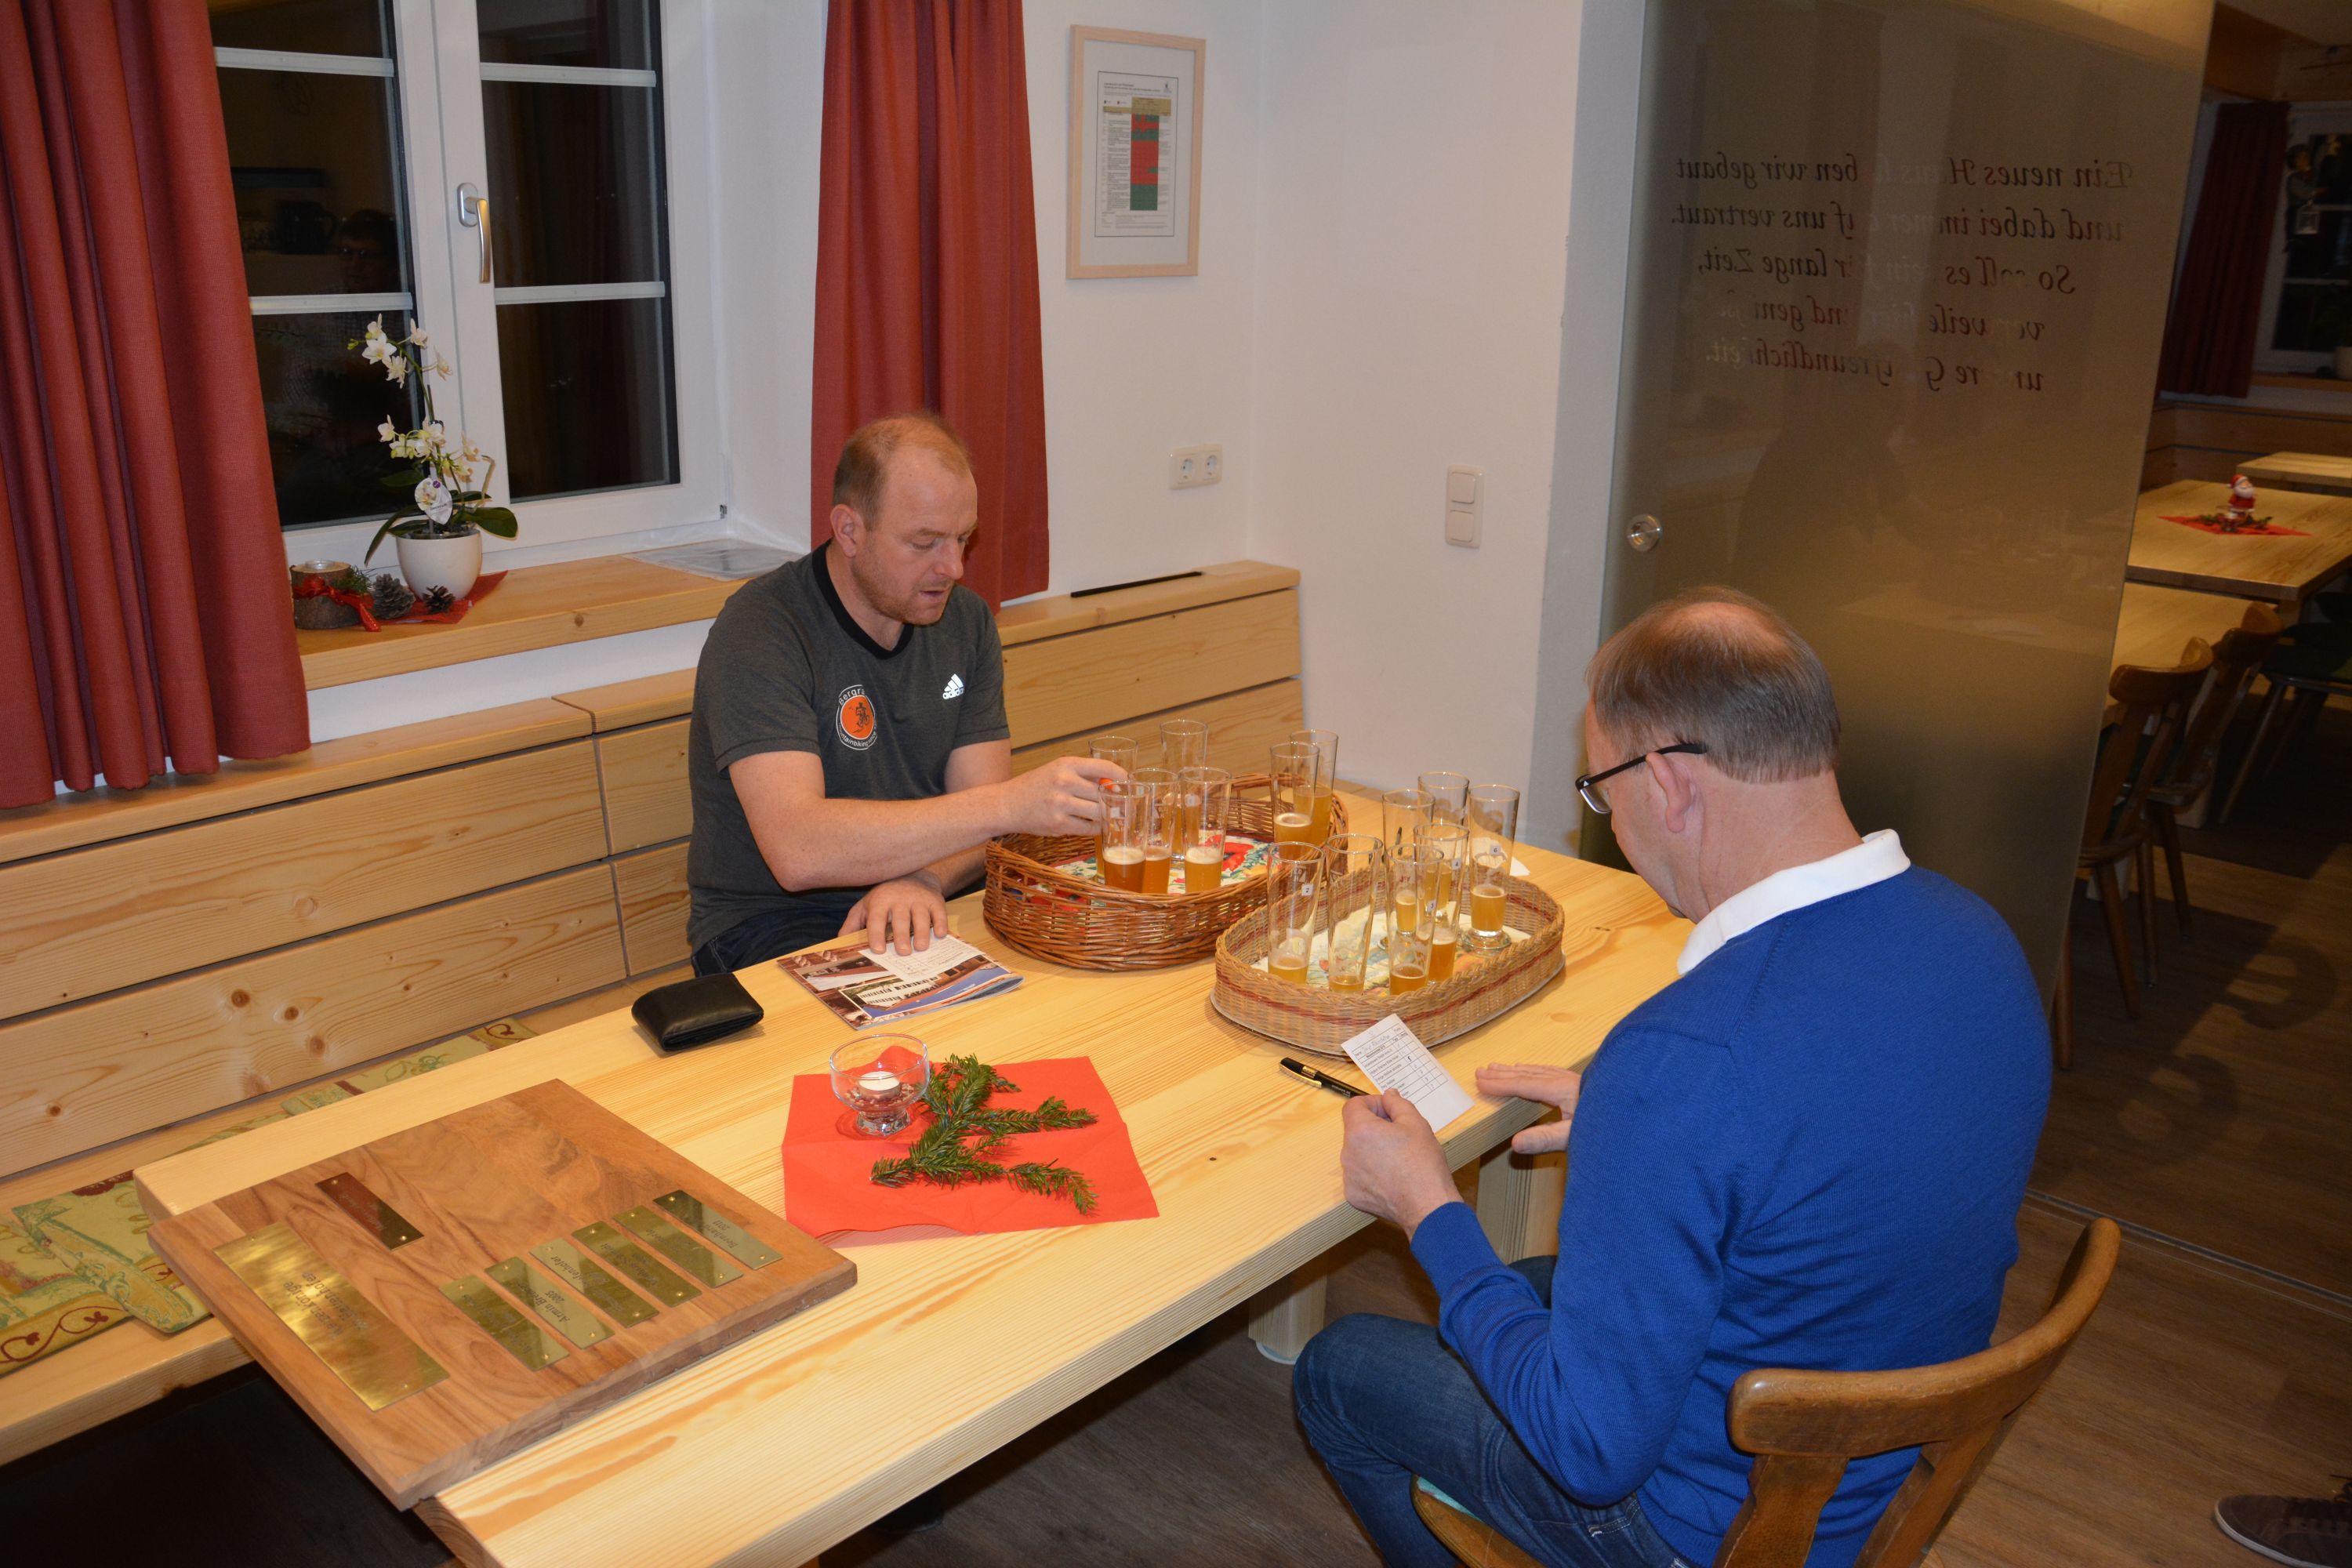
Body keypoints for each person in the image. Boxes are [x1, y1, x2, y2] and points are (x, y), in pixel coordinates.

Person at [1294, 587, 2052, 1568]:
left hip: (1715, 1530)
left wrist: (1427, 1206)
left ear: (1668, 783)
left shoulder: (1685, 1059)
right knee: (1526, 1288)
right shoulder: (1980, 938)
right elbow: (1853, 1126)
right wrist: (1643, 1137)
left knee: (1340, 1368)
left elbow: (1590, 1451)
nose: (1612, 823)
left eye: (1601, 792)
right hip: (1880, 1463)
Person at [687, 412, 1116, 971]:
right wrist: (1011, 804)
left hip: (930, 899)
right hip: (773, 924)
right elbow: (798, 849)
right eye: (925, 542)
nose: (954, 567)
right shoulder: (762, 629)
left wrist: (923, 878)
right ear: (849, 531)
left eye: (963, 538)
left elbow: (981, 825)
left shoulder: (966, 621)